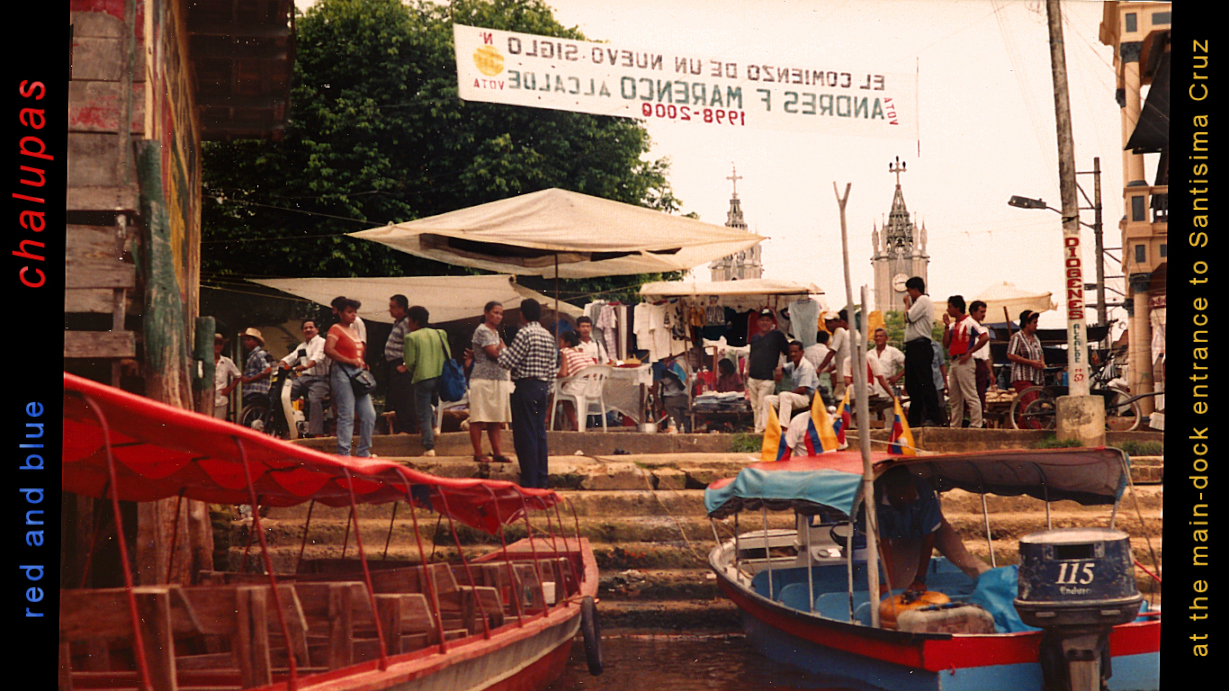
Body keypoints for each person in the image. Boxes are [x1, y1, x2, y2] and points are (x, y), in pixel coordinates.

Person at [868, 466, 990, 596]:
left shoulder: (924, 489)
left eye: (912, 491)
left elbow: (928, 538)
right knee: (898, 587)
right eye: (904, 494)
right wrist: (889, 581)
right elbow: (884, 542)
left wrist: (920, 579)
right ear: (891, 493)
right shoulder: (875, 498)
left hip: (935, 529)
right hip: (903, 536)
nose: (911, 496)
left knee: (963, 559)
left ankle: (997, 584)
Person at [498, 298, 557, 489]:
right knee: (539, 434)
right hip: (541, 388)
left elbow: (509, 361)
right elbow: (551, 369)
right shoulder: (548, 336)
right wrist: (547, 392)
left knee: (525, 435)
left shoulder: (525, 334)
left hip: (526, 387)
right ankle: (541, 479)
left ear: (522, 314)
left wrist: (502, 350)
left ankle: (529, 481)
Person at [324, 298, 375, 457]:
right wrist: (349, 360)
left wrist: (361, 363)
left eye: (354, 312)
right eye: (349, 312)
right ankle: (344, 452)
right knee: (346, 413)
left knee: (369, 414)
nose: (353, 315)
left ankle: (363, 450)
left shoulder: (354, 330)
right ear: (340, 313)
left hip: (357, 372)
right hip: (342, 372)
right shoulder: (335, 329)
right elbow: (328, 350)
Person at [468, 300, 513, 464]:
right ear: (486, 313)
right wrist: (502, 349)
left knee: (496, 418)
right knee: (479, 417)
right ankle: (478, 453)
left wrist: (502, 349)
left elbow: (502, 351)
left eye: (501, 313)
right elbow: (494, 353)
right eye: (495, 312)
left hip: (498, 378)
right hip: (483, 378)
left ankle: (497, 452)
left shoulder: (495, 333)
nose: (498, 316)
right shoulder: (482, 330)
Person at [403, 305, 450, 457]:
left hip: (423, 377)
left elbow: (410, 363)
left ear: (415, 321)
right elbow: (447, 353)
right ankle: (435, 426)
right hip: (440, 376)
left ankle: (429, 447)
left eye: (409, 320)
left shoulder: (411, 337)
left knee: (422, 411)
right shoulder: (440, 333)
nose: (408, 324)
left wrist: (415, 369)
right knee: (430, 404)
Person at [902, 277, 945, 427]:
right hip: (913, 346)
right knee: (912, 384)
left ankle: (933, 416)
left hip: (921, 345)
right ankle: (915, 418)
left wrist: (907, 304)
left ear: (915, 290)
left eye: (909, 291)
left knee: (925, 381)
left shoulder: (923, 301)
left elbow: (908, 317)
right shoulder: (918, 303)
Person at [942, 295, 988, 428]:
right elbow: (945, 344)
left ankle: (976, 424)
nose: (948, 309)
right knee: (954, 397)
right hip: (954, 361)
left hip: (964, 361)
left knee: (970, 394)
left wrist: (969, 352)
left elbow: (984, 337)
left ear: (957, 308)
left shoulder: (969, 322)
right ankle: (955, 425)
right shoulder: (952, 326)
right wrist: (946, 327)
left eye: (950, 307)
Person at [280, 319, 331, 438]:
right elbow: (290, 358)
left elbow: (317, 358)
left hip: (320, 379)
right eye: (305, 328)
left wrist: (306, 366)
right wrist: (279, 365)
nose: (308, 330)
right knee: (285, 394)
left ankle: (316, 432)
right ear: (302, 331)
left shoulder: (322, 342)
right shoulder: (302, 346)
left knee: (314, 399)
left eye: (311, 327)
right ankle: (289, 426)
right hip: (304, 379)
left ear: (316, 330)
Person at [746, 309, 790, 433]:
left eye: (767, 320)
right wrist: (747, 368)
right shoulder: (754, 338)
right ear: (758, 322)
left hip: (767, 378)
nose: (765, 322)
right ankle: (757, 429)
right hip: (753, 378)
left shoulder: (777, 336)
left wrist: (781, 367)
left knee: (762, 405)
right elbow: (751, 355)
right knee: (754, 406)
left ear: (772, 322)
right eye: (762, 320)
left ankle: (760, 431)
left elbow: (789, 353)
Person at [763, 341, 819, 427]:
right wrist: (779, 369)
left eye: (795, 351)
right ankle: (766, 428)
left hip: (807, 398)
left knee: (784, 395)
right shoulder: (793, 364)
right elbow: (783, 366)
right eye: (791, 352)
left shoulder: (806, 366)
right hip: (795, 397)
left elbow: (803, 389)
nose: (793, 354)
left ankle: (784, 426)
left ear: (802, 352)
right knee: (768, 399)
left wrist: (785, 395)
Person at [1007, 310, 1047, 427]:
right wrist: (1030, 362)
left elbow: (1041, 353)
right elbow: (1010, 354)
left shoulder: (1036, 339)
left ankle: (1022, 431)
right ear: (1026, 323)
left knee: (1026, 407)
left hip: (1035, 377)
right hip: (1022, 377)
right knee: (1031, 405)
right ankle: (1036, 431)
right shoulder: (1017, 337)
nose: (1036, 325)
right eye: (1034, 322)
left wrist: (1042, 363)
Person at [384, 294, 415, 435]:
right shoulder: (398, 322)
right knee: (397, 397)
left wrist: (405, 364)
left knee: (404, 398)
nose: (389, 310)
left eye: (393, 307)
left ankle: (407, 428)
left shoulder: (406, 323)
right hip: (394, 364)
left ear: (401, 308)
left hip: (401, 365)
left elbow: (411, 344)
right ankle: (401, 427)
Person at [556, 329, 598, 431]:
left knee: (562, 396)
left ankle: (575, 425)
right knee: (563, 388)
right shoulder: (582, 352)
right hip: (594, 387)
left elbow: (563, 373)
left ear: (567, 343)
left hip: (580, 387)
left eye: (560, 341)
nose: (558, 344)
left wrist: (552, 375)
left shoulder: (564, 351)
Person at [237, 327, 274, 409]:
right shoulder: (252, 355)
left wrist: (249, 380)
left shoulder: (260, 354)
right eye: (245, 340)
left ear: (256, 341)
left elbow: (267, 370)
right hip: (250, 392)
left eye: (248, 340)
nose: (246, 342)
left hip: (257, 391)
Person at [968, 300, 993, 415]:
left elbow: (985, 354)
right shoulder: (967, 326)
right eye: (981, 312)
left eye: (984, 312)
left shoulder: (984, 330)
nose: (983, 314)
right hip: (969, 361)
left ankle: (979, 418)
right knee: (968, 392)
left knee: (980, 392)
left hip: (980, 363)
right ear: (973, 311)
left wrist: (990, 372)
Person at [820, 311, 851, 400]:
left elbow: (832, 352)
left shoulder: (839, 331)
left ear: (838, 322)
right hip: (843, 375)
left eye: (831, 322)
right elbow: (840, 359)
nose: (828, 325)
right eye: (826, 322)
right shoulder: (836, 334)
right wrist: (827, 370)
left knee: (837, 399)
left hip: (843, 377)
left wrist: (820, 368)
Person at [213, 333, 241, 421]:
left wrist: (230, 388)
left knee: (218, 427)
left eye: (220, 344)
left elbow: (238, 376)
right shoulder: (205, 360)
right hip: (206, 399)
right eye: (215, 343)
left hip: (221, 401)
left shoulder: (227, 362)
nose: (218, 346)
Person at [804, 330, 835, 405]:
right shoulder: (827, 352)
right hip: (824, 381)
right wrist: (824, 372)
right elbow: (834, 365)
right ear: (827, 340)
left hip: (808, 381)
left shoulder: (806, 350)